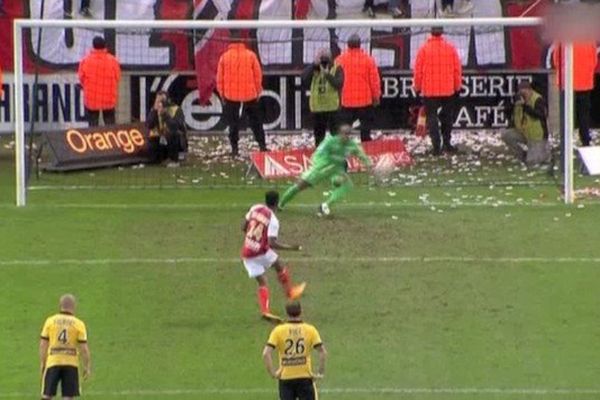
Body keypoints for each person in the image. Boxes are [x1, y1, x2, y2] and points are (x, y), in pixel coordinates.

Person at [241, 191, 306, 323]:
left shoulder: (255, 207)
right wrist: (291, 248)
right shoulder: (273, 220)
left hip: (247, 250)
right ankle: (290, 292)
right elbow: (271, 243)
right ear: (277, 202)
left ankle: (265, 311)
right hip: (260, 251)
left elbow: (243, 226)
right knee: (279, 265)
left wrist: (251, 238)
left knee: (262, 282)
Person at [279, 124, 371, 216]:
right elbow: (318, 154)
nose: (346, 136)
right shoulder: (330, 142)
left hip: (336, 170)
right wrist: (319, 165)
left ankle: (325, 205)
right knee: (300, 185)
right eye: (345, 134)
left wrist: (368, 163)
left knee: (346, 184)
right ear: (340, 133)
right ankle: (280, 204)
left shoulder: (351, 145)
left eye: (348, 134)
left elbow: (360, 154)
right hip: (322, 168)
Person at [263, 301, 327, 400]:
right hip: (304, 377)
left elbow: (266, 353)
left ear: (287, 312)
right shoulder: (310, 329)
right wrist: (320, 373)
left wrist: (273, 373)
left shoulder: (278, 331)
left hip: (286, 379)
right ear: (301, 311)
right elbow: (322, 352)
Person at [413, 26, 462, 155]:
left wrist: (417, 87)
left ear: (431, 33)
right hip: (447, 89)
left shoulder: (423, 49)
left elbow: (418, 71)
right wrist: (457, 86)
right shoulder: (450, 48)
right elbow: (457, 70)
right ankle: (447, 143)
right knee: (447, 117)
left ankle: (436, 146)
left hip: (430, 90)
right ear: (442, 33)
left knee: (432, 117)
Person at [217, 30, 267, 156]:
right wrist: (257, 91)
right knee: (256, 122)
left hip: (231, 96)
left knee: (233, 124)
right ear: (243, 42)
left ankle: (235, 149)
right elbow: (258, 75)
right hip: (250, 95)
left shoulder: (224, 57)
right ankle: (262, 146)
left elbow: (219, 78)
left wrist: (222, 94)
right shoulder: (250, 55)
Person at [40, 294, 91, 400]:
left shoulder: (50, 321)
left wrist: (43, 362)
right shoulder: (78, 324)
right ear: (74, 306)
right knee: (68, 397)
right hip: (71, 364)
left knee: (47, 395)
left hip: (53, 361)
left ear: (60, 305)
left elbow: (43, 344)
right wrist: (86, 366)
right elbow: (84, 349)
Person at [335, 34, 381, 142]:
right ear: (360, 45)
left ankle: (341, 151)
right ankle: (366, 150)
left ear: (348, 46)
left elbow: (335, 81)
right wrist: (376, 97)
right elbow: (374, 81)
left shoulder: (339, 60)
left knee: (344, 131)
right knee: (365, 130)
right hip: (365, 100)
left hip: (347, 100)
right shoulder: (368, 59)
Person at [553, 41, 598, 147]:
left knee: (567, 112)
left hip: (567, 80)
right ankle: (585, 139)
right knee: (584, 113)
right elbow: (594, 59)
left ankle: (566, 139)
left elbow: (556, 58)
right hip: (584, 80)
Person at [501, 81, 551, 166]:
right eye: (521, 92)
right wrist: (511, 105)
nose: (524, 95)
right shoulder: (518, 100)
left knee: (532, 162)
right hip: (523, 132)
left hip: (536, 136)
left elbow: (540, 115)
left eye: (525, 92)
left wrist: (526, 106)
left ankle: (544, 153)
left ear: (530, 91)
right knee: (506, 135)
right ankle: (523, 155)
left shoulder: (538, 99)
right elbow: (510, 115)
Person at [302, 49, 344, 147]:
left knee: (336, 137)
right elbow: (304, 78)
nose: (324, 63)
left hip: (332, 108)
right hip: (318, 108)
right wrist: (313, 65)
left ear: (331, 59)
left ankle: (338, 159)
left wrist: (327, 74)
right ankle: (321, 159)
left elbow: (338, 84)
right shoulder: (314, 69)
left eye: (326, 60)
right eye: (322, 59)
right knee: (319, 138)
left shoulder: (336, 68)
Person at [78, 36, 121, 127]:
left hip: (91, 98)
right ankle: (111, 140)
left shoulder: (85, 60)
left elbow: (81, 78)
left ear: (93, 46)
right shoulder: (113, 60)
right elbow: (117, 77)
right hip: (108, 98)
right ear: (105, 45)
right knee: (110, 125)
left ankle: (93, 139)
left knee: (93, 125)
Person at [146, 90, 188, 167]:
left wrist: (165, 115)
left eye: (161, 101)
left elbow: (175, 126)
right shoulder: (154, 110)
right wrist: (154, 111)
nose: (159, 103)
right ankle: (157, 159)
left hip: (175, 141)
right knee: (151, 139)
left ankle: (174, 159)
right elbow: (149, 125)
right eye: (157, 100)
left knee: (173, 134)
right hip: (161, 139)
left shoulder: (176, 110)